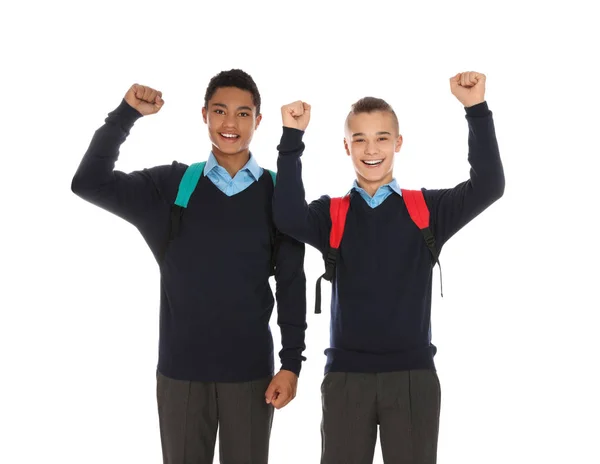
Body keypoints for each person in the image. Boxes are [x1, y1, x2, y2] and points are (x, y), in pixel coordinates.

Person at [71, 69, 307, 464]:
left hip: (252, 377)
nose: (230, 123)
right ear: (204, 115)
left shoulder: (277, 193)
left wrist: (291, 363)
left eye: (243, 113)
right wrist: (125, 115)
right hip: (180, 375)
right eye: (219, 111)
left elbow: (291, 283)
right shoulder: (170, 188)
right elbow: (88, 182)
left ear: (258, 121)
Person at [273, 71, 505, 463]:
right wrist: (292, 139)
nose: (371, 148)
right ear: (346, 147)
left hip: (413, 378)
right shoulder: (333, 213)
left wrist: (475, 109)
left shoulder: (426, 210)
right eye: (359, 139)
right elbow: (287, 216)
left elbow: (489, 186)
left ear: (397, 143)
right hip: (346, 378)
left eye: (381, 137)